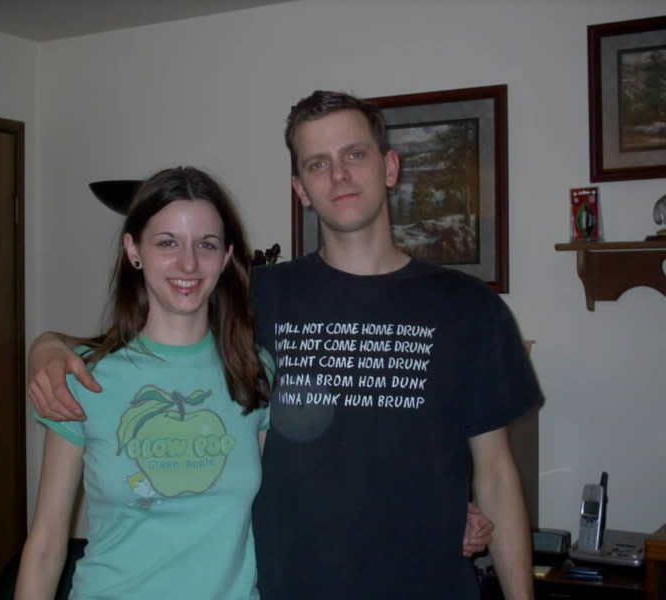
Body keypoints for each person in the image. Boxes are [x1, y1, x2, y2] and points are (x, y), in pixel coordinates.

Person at [27, 90, 534, 598]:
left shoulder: (469, 307)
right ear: (301, 189)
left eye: (355, 154)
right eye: (318, 164)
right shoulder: (257, 298)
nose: (339, 175)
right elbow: (155, 340)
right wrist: (46, 347)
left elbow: (496, 473)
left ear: (390, 167)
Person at [15, 166, 273, 599]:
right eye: (167, 242)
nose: (188, 263)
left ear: (227, 256)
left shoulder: (253, 371)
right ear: (134, 250)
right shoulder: (85, 376)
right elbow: (45, 546)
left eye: (206, 244)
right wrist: (44, 345)